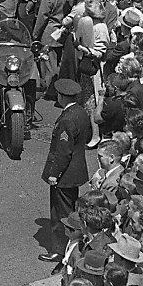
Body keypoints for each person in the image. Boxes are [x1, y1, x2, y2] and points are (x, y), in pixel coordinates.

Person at [39, 78, 90, 264]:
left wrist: (54, 174)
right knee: (70, 209)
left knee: (59, 214)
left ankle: (59, 250)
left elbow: (63, 151)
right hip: (77, 171)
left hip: (65, 174)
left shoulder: (67, 119)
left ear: (61, 96)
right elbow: (89, 136)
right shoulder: (81, 113)